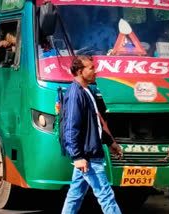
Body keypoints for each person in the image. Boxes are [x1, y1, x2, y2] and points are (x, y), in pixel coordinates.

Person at [61, 56, 123, 214]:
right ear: (80, 71)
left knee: (75, 196)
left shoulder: (87, 90)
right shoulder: (75, 94)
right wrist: (77, 157)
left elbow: (95, 123)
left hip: (87, 155)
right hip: (88, 156)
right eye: (91, 68)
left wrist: (110, 143)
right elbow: (70, 128)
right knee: (106, 196)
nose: (96, 71)